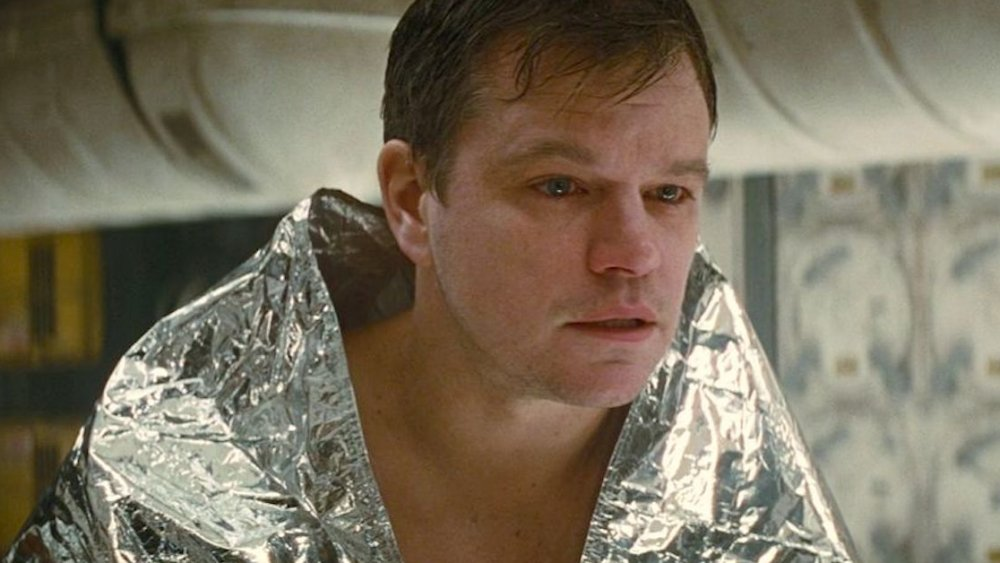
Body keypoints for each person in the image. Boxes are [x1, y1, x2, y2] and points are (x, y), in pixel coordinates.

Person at [5, 1, 857, 561]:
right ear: (414, 201)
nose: (633, 254)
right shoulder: (180, 453)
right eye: (561, 187)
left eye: (669, 193)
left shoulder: (752, 517)